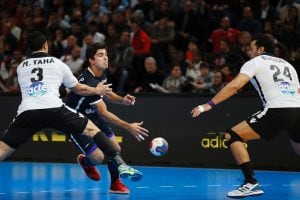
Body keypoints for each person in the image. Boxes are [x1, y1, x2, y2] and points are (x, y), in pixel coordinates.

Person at [0, 31, 143, 184]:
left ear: (29, 49)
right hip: (55, 109)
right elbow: (78, 88)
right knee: (92, 129)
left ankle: (114, 172)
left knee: (2, 150)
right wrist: (96, 90)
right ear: (46, 45)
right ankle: (121, 164)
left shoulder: (21, 67)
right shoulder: (57, 63)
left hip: (27, 112)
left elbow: (43, 87)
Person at [191, 34, 300, 198]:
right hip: (297, 108)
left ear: (261, 49)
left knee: (233, 135)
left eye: (252, 48)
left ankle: (251, 183)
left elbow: (235, 85)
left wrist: (208, 105)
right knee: (297, 143)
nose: (249, 51)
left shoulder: (255, 62)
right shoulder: (288, 65)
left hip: (278, 108)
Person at [65, 42, 149, 194]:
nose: (106, 58)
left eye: (106, 54)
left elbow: (107, 93)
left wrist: (122, 100)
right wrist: (129, 126)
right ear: (91, 60)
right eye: (100, 55)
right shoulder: (88, 80)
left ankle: (115, 184)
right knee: (98, 158)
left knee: (115, 148)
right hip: (77, 123)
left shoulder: (100, 73)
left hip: (94, 118)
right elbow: (104, 113)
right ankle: (85, 161)